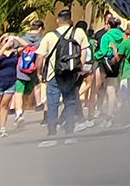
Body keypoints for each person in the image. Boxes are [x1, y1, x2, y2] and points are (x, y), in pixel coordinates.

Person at [35, 9, 91, 145]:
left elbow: (40, 57)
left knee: (52, 104)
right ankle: (69, 135)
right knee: (70, 102)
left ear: (58, 20)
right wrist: (79, 68)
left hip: (54, 74)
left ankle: (52, 136)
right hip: (71, 73)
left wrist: (39, 73)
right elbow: (84, 52)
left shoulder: (49, 36)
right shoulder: (79, 33)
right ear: (70, 19)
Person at [91, 12, 125, 125]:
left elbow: (103, 51)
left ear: (109, 25)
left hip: (105, 64)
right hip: (117, 64)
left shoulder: (106, 36)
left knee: (99, 88)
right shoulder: (122, 35)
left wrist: (95, 55)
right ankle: (111, 114)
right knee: (112, 89)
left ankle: (99, 113)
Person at [13, 19, 45, 124]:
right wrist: (39, 72)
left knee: (18, 91)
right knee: (26, 93)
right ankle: (21, 111)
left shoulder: (22, 38)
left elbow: (15, 52)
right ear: (40, 29)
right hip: (33, 70)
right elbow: (41, 56)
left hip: (21, 69)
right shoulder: (42, 40)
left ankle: (18, 113)